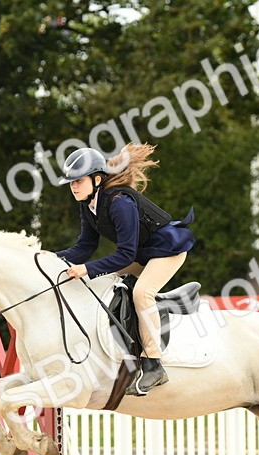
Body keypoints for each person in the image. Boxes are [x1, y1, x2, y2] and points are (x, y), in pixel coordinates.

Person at [52, 143, 196, 395]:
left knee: (142, 293)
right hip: (142, 252)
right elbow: (85, 247)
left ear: (97, 179)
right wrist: (51, 259)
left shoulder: (119, 203)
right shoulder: (87, 204)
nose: (73, 186)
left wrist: (85, 269)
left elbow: (125, 255)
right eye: (71, 182)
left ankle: (154, 364)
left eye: (78, 181)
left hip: (168, 250)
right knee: (105, 282)